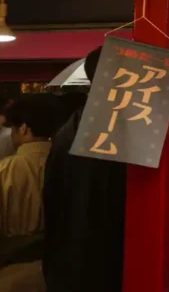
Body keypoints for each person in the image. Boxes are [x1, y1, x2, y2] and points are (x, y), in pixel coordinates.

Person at [43, 47, 126, 292]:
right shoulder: (114, 129)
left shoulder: (73, 127)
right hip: (103, 261)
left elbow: (52, 199)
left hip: (70, 258)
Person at [0, 96, 56, 292]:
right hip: (61, 268)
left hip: (11, 270)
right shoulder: (72, 165)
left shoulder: (5, 170)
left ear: (23, 128)